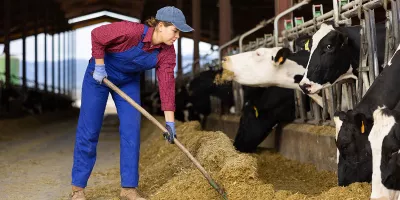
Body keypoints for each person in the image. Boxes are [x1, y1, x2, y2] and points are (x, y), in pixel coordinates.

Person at [70, 6, 193, 200]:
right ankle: (78, 189)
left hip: (128, 81)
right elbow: (97, 34)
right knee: (90, 129)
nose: (177, 36)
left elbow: (167, 86)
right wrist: (100, 67)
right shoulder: (131, 31)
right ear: (160, 26)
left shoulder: (167, 53)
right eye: (175, 31)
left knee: (131, 129)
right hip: (99, 76)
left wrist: (170, 122)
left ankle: (128, 189)